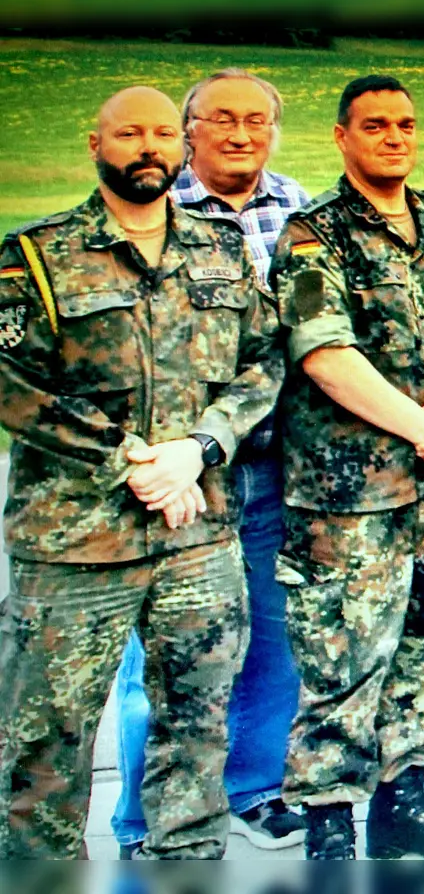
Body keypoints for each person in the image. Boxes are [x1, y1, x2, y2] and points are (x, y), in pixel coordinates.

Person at [0, 86, 282, 858]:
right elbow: (13, 384)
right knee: (43, 747)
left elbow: (265, 360)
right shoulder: (37, 256)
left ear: (180, 146)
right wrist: (128, 460)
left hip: (198, 539)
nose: (148, 147)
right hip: (75, 547)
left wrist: (201, 447)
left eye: (162, 133)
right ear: (96, 144)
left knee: (196, 732)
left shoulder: (220, 251)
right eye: (130, 133)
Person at [269, 75, 424, 860]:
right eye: (375, 125)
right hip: (353, 496)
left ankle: (401, 800)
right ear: (342, 136)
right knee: (343, 660)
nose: (394, 137)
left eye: (405, 124)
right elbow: (324, 353)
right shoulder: (314, 235)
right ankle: (329, 826)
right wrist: (423, 428)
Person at [110, 68, 311, 858]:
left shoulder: (297, 208)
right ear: (188, 129)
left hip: (271, 463)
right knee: (163, 658)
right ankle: (142, 821)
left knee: (271, 639)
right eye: (220, 118)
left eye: (256, 120)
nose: (240, 133)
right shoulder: (152, 209)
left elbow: (299, 340)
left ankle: (255, 788)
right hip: (176, 475)